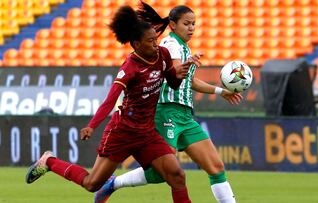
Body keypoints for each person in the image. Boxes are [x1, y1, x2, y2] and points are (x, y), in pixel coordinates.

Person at [25, 4, 197, 203]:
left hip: (146, 133)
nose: (155, 45)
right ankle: (49, 161)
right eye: (150, 41)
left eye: (155, 40)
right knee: (92, 184)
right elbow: (110, 100)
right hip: (122, 133)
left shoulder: (162, 55)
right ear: (136, 43)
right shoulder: (130, 67)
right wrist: (91, 125)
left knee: (177, 176)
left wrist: (179, 74)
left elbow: (173, 83)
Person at [95, 2, 242, 203]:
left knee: (216, 167)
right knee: (160, 173)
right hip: (166, 113)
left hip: (185, 116)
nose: (191, 28)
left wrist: (219, 91)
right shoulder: (169, 44)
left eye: (194, 24)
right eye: (187, 23)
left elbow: (189, 81)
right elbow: (175, 73)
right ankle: (112, 184)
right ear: (173, 24)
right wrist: (188, 63)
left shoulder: (183, 47)